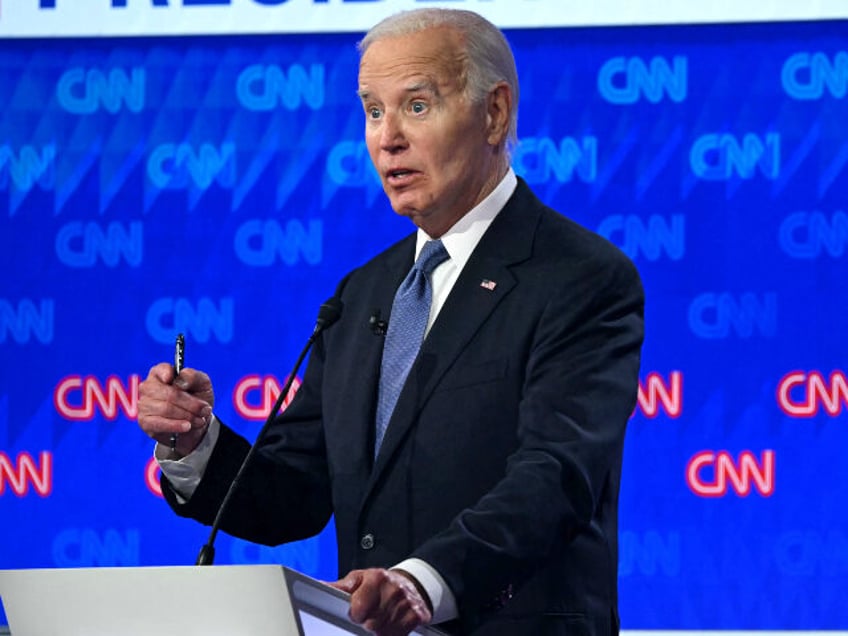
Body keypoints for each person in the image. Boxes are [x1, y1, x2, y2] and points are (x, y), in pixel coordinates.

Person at [138, 8, 644, 636]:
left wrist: (421, 582)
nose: (387, 138)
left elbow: (557, 476)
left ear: (495, 113)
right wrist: (195, 443)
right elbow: (294, 490)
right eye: (373, 110)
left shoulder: (578, 277)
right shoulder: (363, 294)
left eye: (418, 106)